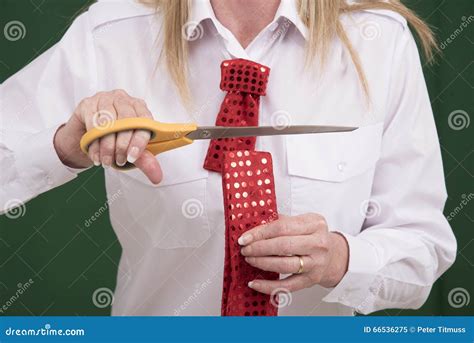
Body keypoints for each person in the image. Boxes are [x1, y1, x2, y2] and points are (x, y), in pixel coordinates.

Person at [0, 0, 456, 315]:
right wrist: (63, 145)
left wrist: (340, 259)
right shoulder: (111, 33)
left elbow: (424, 246)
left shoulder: (379, 40)